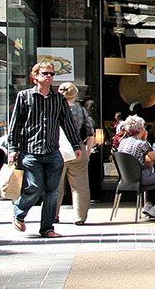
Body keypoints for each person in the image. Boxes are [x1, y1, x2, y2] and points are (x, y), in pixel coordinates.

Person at [7, 62, 83, 238]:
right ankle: (19, 211)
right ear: (35, 76)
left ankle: (47, 228)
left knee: (52, 190)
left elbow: (68, 124)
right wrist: (13, 148)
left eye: (51, 74)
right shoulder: (24, 97)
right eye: (45, 73)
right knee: (35, 186)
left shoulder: (59, 99)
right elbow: (15, 124)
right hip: (30, 151)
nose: (49, 76)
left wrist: (76, 145)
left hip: (52, 151)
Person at [116, 115, 155, 220]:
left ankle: (149, 205)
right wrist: (145, 139)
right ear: (140, 129)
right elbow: (154, 157)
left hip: (126, 178)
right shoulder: (142, 143)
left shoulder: (123, 142)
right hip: (141, 176)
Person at [56, 83, 95, 225]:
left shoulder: (55, 109)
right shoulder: (82, 110)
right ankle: (79, 217)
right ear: (76, 95)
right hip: (78, 147)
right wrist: (88, 151)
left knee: (56, 184)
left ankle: (54, 214)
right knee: (80, 185)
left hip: (58, 148)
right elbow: (90, 133)